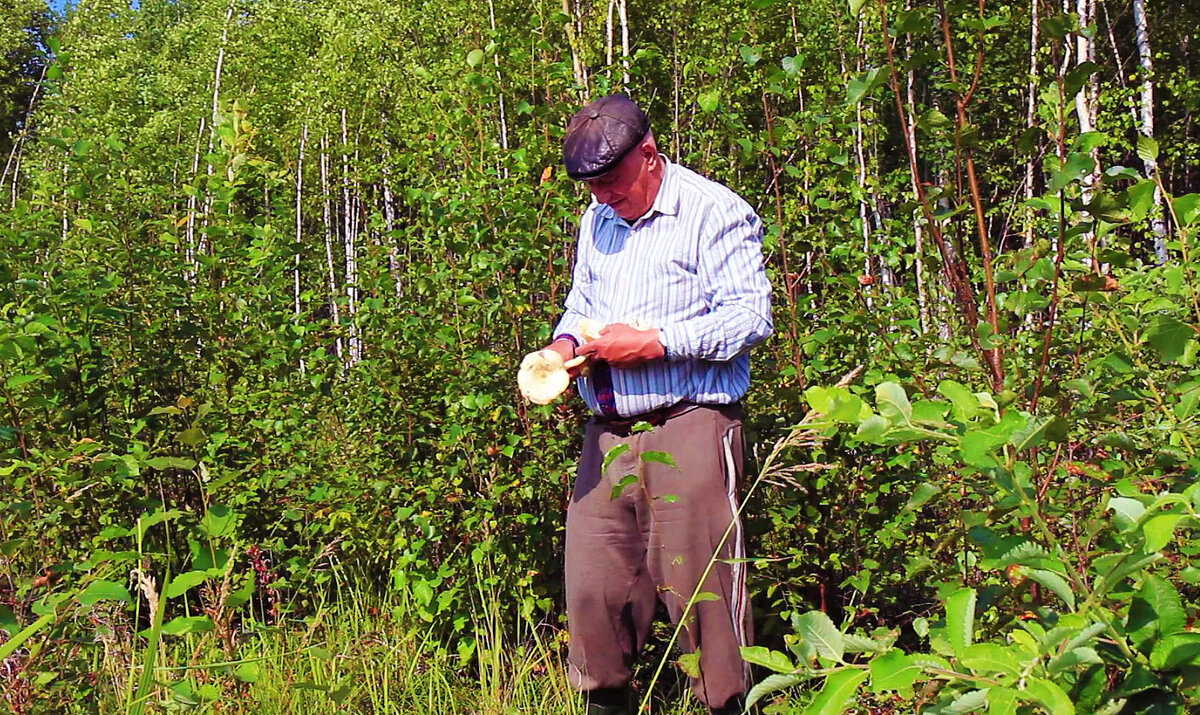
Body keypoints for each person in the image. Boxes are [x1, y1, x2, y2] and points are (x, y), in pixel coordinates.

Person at [540, 94, 773, 715]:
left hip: (691, 424)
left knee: (707, 604)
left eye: (611, 183)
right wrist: (566, 341)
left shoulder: (713, 212)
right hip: (608, 432)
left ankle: (726, 705)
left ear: (649, 154)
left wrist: (658, 343)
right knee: (593, 598)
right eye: (591, 189)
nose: (602, 199)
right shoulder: (598, 219)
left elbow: (751, 318)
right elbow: (582, 302)